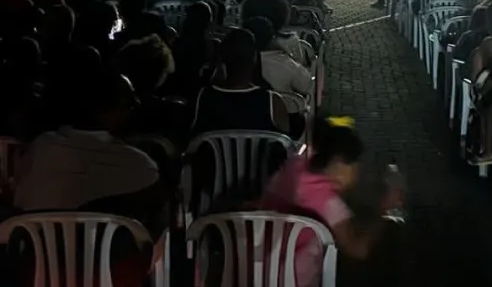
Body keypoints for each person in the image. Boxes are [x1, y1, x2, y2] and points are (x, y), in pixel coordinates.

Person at [14, 70, 167, 231]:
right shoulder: (139, 164)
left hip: (36, 243)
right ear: (107, 111)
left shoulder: (42, 146)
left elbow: (20, 199)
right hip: (104, 248)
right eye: (130, 103)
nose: (136, 107)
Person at [260, 115, 402, 284]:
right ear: (339, 164)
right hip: (289, 278)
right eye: (354, 166)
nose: (356, 174)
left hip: (251, 264)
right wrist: (385, 208)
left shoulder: (294, 164)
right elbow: (358, 249)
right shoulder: (327, 202)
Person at [191, 28, 290, 136]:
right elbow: (286, 142)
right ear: (255, 57)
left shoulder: (201, 98)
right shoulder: (273, 103)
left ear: (222, 58)